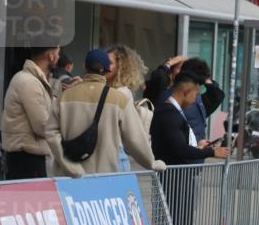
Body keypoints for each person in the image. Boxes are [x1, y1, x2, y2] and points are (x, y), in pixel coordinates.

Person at [151, 71, 230, 225]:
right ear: (186, 91)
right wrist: (209, 153)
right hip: (173, 179)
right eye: (195, 94)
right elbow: (177, 148)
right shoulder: (168, 112)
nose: (196, 99)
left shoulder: (174, 111)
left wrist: (199, 148)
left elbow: (180, 145)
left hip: (179, 176)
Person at [47, 49, 166, 177]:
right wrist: (151, 163)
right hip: (104, 178)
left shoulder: (64, 97)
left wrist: (68, 165)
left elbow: (50, 132)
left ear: (84, 66)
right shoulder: (119, 99)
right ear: (107, 69)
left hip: (68, 177)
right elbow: (135, 138)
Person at [1, 45, 59, 179]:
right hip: (27, 161)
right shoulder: (29, 83)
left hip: (26, 159)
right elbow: (43, 126)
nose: (58, 57)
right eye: (58, 53)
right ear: (50, 56)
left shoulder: (31, 80)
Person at [106, 44, 151, 172]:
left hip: (115, 157)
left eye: (109, 63)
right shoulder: (109, 90)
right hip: (105, 156)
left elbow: (133, 135)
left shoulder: (121, 93)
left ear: (122, 67)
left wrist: (150, 162)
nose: (104, 66)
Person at [160, 58, 225, 144]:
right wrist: (168, 64)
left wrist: (203, 77)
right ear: (171, 72)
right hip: (183, 153)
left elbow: (217, 95)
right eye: (179, 68)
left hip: (197, 153)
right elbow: (157, 78)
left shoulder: (197, 98)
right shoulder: (168, 97)